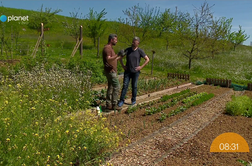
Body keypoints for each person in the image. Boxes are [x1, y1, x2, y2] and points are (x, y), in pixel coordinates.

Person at [118, 36, 150, 107]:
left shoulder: (140, 51)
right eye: (132, 41)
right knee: (125, 85)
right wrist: (123, 66)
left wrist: (141, 67)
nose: (133, 43)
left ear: (138, 43)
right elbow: (120, 57)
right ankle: (121, 100)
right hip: (127, 71)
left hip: (135, 72)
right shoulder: (128, 50)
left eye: (134, 42)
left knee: (134, 86)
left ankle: (133, 100)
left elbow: (147, 59)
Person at [103, 34, 125, 111]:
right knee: (117, 86)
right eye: (115, 40)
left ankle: (108, 104)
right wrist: (117, 54)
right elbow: (109, 59)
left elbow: (113, 59)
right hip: (111, 72)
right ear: (111, 40)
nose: (116, 41)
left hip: (110, 71)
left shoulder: (110, 49)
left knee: (111, 87)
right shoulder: (107, 48)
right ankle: (114, 104)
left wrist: (120, 57)